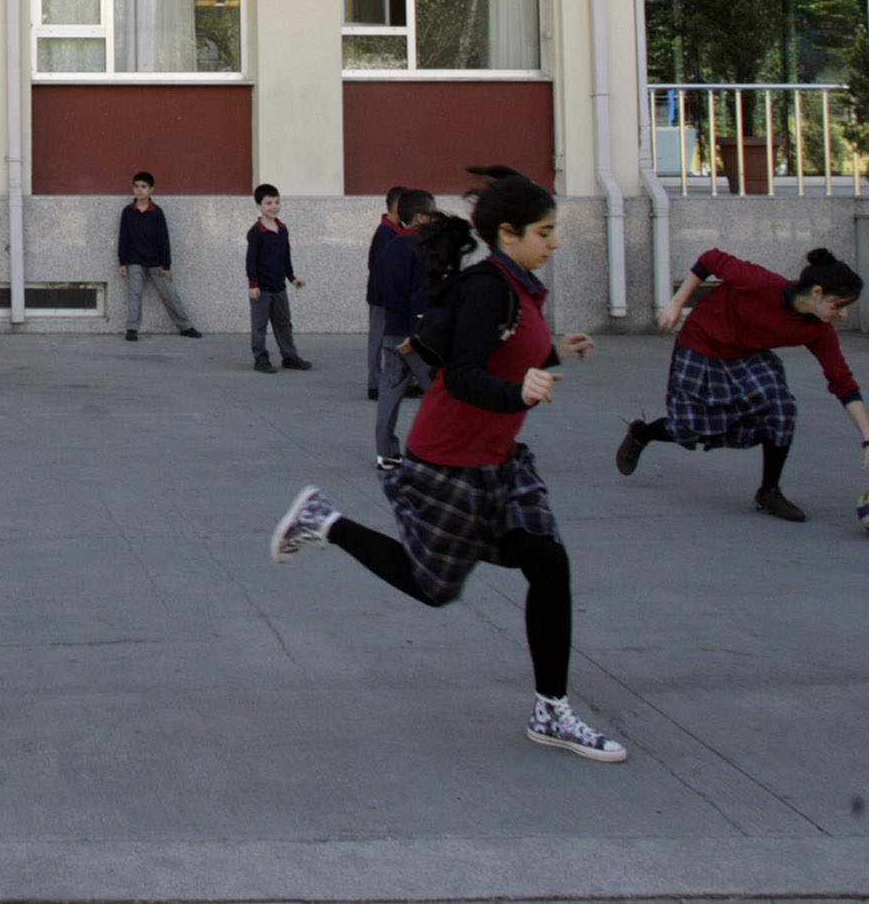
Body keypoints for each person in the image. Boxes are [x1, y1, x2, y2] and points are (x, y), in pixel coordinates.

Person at [269, 168, 628, 765]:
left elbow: (504, 350)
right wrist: (521, 393)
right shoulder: (492, 286)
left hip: (500, 459)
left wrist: (554, 351)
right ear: (508, 235)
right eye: (546, 231)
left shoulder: (522, 285)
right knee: (432, 587)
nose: (556, 241)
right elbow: (460, 375)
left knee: (547, 561)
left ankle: (551, 709)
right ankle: (324, 519)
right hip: (450, 459)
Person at [617, 247, 869, 521]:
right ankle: (643, 434)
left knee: (780, 406)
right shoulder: (759, 282)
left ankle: (769, 492)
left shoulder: (818, 330)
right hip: (701, 344)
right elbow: (711, 259)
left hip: (744, 355)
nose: (843, 314)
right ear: (817, 292)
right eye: (838, 305)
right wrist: (677, 304)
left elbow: (842, 381)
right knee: (688, 429)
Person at [371, 189, 438, 470]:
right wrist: (418, 333)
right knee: (439, 393)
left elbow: (382, 287)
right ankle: (441, 449)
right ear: (421, 217)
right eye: (433, 214)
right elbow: (420, 295)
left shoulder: (391, 246)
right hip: (415, 334)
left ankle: (386, 452)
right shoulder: (423, 249)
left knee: (389, 390)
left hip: (392, 328)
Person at [117, 171, 202, 343]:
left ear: (151, 190)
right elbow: (123, 237)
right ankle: (132, 328)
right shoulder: (128, 212)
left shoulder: (157, 212)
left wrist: (167, 266)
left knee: (170, 295)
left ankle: (185, 326)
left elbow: (164, 239)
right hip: (134, 260)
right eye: (136, 186)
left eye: (143, 187)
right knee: (134, 294)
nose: (139, 190)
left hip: (156, 261)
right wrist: (122, 262)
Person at [245, 183, 309, 373]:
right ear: (259, 206)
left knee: (284, 323)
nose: (274, 206)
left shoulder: (282, 229)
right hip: (262, 289)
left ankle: (290, 356)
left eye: (277, 202)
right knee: (260, 326)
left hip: (279, 287)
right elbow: (251, 261)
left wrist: (292, 277)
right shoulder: (256, 232)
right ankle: (261, 358)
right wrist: (253, 284)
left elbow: (285, 256)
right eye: (268, 203)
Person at [364, 187, 408, 399]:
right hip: (381, 298)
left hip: (396, 298)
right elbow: (377, 267)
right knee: (377, 341)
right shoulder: (384, 233)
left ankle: (400, 381)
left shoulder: (400, 230)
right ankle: (374, 383)